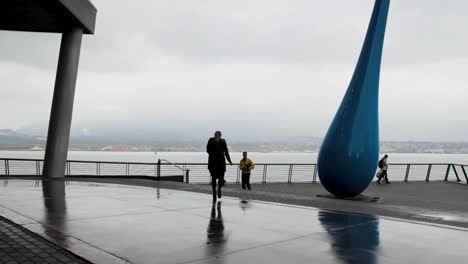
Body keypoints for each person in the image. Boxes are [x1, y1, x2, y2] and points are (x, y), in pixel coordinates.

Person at [206, 131, 232, 202]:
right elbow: (207, 149)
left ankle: (219, 188)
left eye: (218, 135)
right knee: (213, 177)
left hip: (221, 161)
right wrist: (213, 154)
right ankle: (214, 191)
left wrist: (229, 160)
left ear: (220, 135)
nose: (217, 136)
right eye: (216, 134)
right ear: (214, 135)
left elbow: (226, 151)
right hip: (213, 162)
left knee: (221, 177)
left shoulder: (223, 141)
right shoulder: (211, 140)